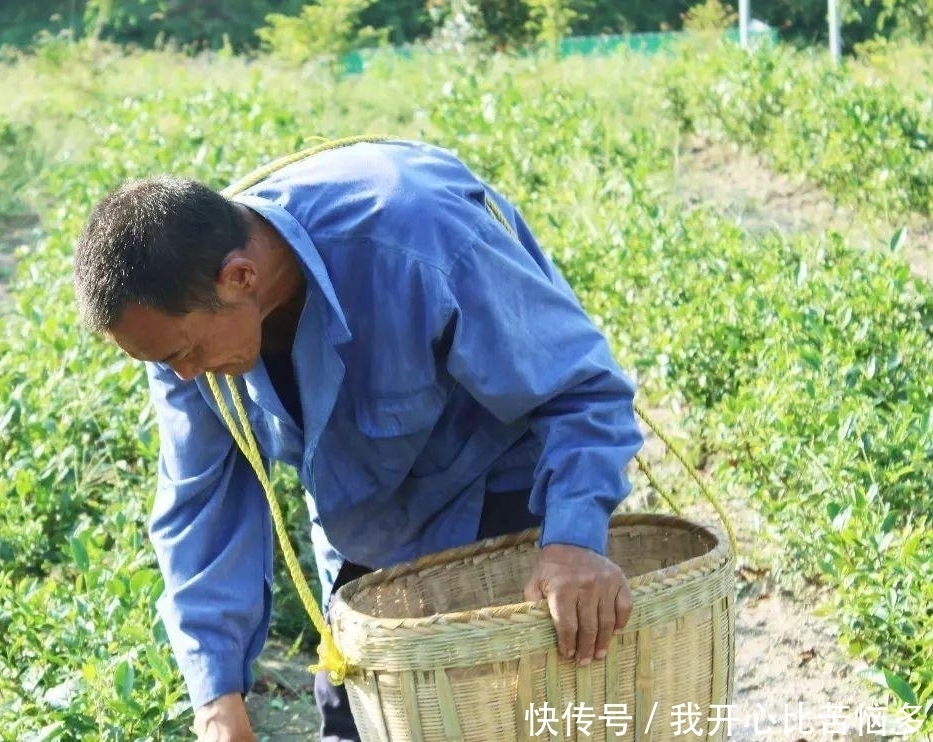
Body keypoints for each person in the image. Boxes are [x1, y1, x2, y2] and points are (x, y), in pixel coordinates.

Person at [71, 139, 643, 742]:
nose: (184, 376)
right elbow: (202, 502)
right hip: (365, 526)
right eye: (165, 364)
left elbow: (579, 392)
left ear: (241, 277)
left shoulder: (414, 236)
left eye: (184, 355)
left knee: (517, 718)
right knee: (358, 723)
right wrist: (217, 696)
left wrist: (574, 544)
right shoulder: (180, 321)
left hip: (502, 494)